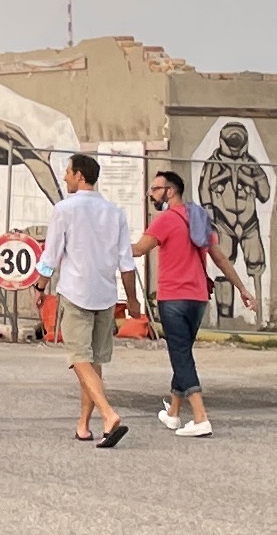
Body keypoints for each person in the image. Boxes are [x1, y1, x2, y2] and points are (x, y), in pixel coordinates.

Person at [36, 150, 137, 446]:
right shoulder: (115, 212)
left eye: (68, 171)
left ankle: (108, 414)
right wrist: (131, 301)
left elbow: (51, 255)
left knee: (79, 358)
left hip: (76, 290)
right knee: (93, 362)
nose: (65, 176)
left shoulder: (64, 209)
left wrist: (40, 287)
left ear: (80, 175)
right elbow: (127, 263)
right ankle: (83, 424)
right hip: (105, 293)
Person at [142, 169, 222, 438]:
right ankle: (174, 414)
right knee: (182, 353)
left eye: (155, 189)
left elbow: (139, 249)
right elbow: (219, 257)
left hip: (173, 297)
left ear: (170, 191)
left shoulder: (166, 220)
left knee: (181, 355)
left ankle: (200, 418)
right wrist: (242, 288)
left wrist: (106, 247)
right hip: (198, 298)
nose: (151, 193)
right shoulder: (198, 218)